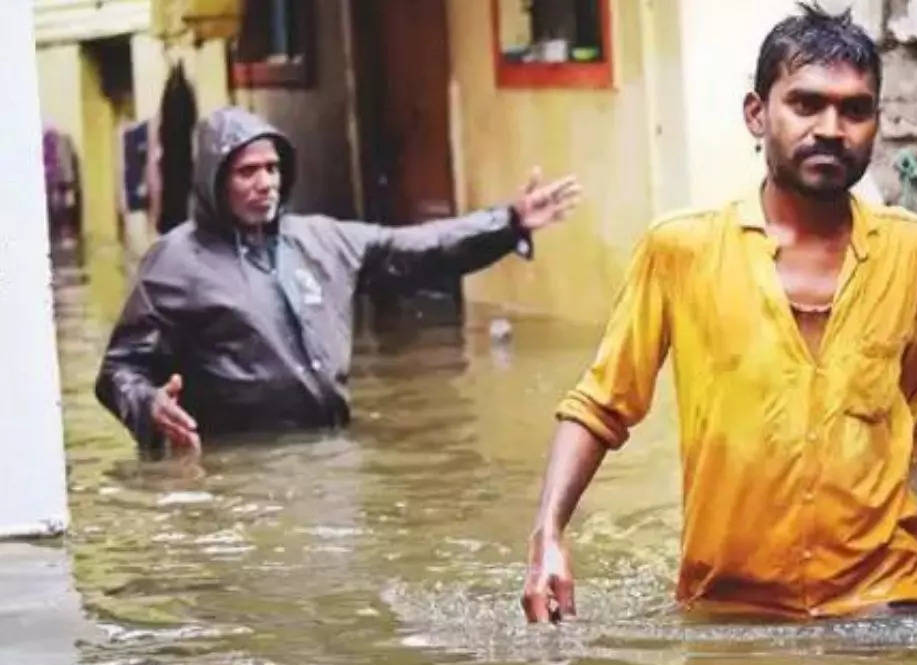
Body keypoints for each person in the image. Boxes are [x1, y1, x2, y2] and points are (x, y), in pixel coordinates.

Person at [521, 3, 917, 623]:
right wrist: (548, 535)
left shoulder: (910, 249)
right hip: (733, 607)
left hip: (888, 601)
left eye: (855, 109)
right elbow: (601, 405)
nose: (831, 128)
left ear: (876, 123)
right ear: (757, 114)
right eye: (806, 103)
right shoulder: (681, 249)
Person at [96, 106, 581, 454]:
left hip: (329, 451)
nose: (265, 183)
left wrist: (507, 222)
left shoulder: (322, 241)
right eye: (248, 172)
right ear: (214, 181)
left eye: (272, 169)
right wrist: (148, 404)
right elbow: (118, 372)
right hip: (236, 463)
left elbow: (418, 249)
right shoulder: (176, 261)